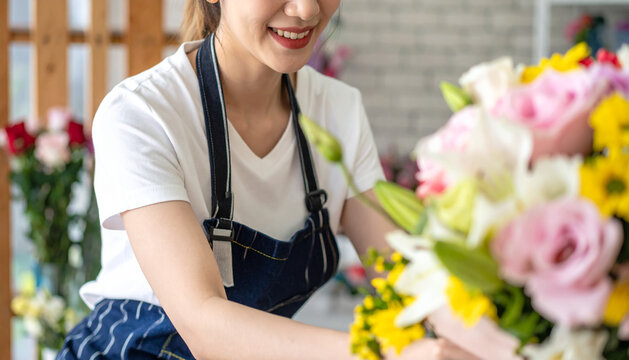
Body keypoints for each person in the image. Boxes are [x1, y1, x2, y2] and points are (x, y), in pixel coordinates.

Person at [57, 0, 477, 359]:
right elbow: (203, 323)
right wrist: (380, 350)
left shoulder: (338, 111)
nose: (307, 9)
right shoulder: (141, 114)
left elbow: (407, 280)